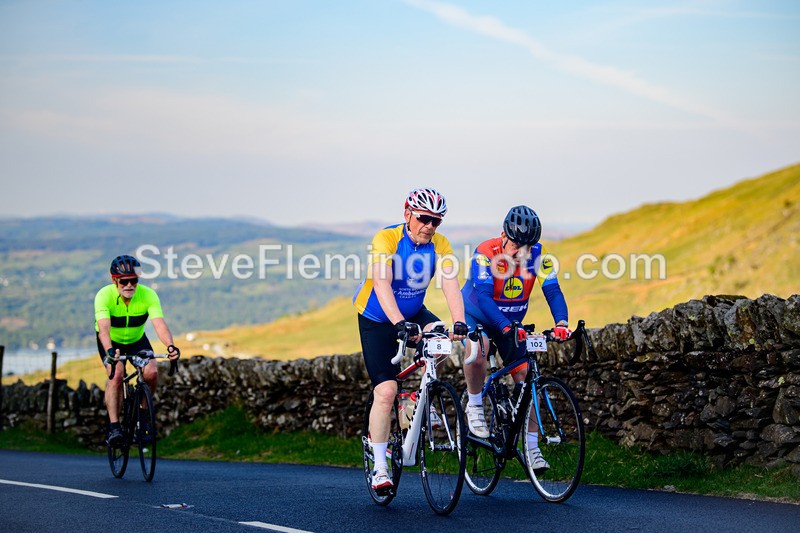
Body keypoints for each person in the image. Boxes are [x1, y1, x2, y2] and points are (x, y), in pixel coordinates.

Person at [353, 187, 468, 492]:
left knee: (440, 340)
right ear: (408, 215)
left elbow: (450, 283)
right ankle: (380, 467)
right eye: (424, 218)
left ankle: (416, 399)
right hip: (377, 317)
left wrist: (460, 321)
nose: (430, 226)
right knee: (386, 390)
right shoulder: (387, 239)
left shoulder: (440, 244)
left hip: (414, 312)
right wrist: (399, 324)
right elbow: (381, 283)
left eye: (436, 221)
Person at [461, 205, 570, 471]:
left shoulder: (540, 257)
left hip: (511, 322)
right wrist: (505, 327)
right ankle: (474, 404)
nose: (521, 253)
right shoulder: (485, 253)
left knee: (527, 378)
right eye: (516, 246)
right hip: (478, 315)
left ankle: (532, 448)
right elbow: (485, 298)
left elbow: (553, 290)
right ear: (503, 235)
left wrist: (562, 323)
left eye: (528, 247)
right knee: (480, 348)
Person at [95, 255, 180, 445]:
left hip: (136, 340)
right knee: (116, 374)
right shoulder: (104, 296)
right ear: (114, 280)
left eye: (134, 280)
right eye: (124, 281)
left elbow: (159, 325)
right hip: (111, 342)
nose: (129, 285)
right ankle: (114, 427)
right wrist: (110, 351)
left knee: (151, 371)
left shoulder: (148, 295)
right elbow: (104, 330)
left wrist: (170, 346)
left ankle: (142, 418)